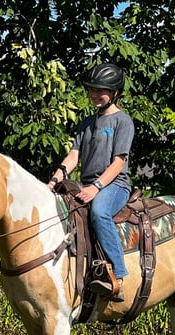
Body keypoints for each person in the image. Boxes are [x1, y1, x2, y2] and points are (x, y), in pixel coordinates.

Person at [47, 62, 135, 303]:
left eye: (100, 90)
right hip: (86, 183)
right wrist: (54, 181)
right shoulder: (86, 123)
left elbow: (118, 163)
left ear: (115, 93)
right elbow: (74, 156)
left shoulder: (123, 121)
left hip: (114, 184)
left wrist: (96, 188)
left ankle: (117, 276)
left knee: (98, 213)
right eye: (91, 90)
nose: (94, 95)